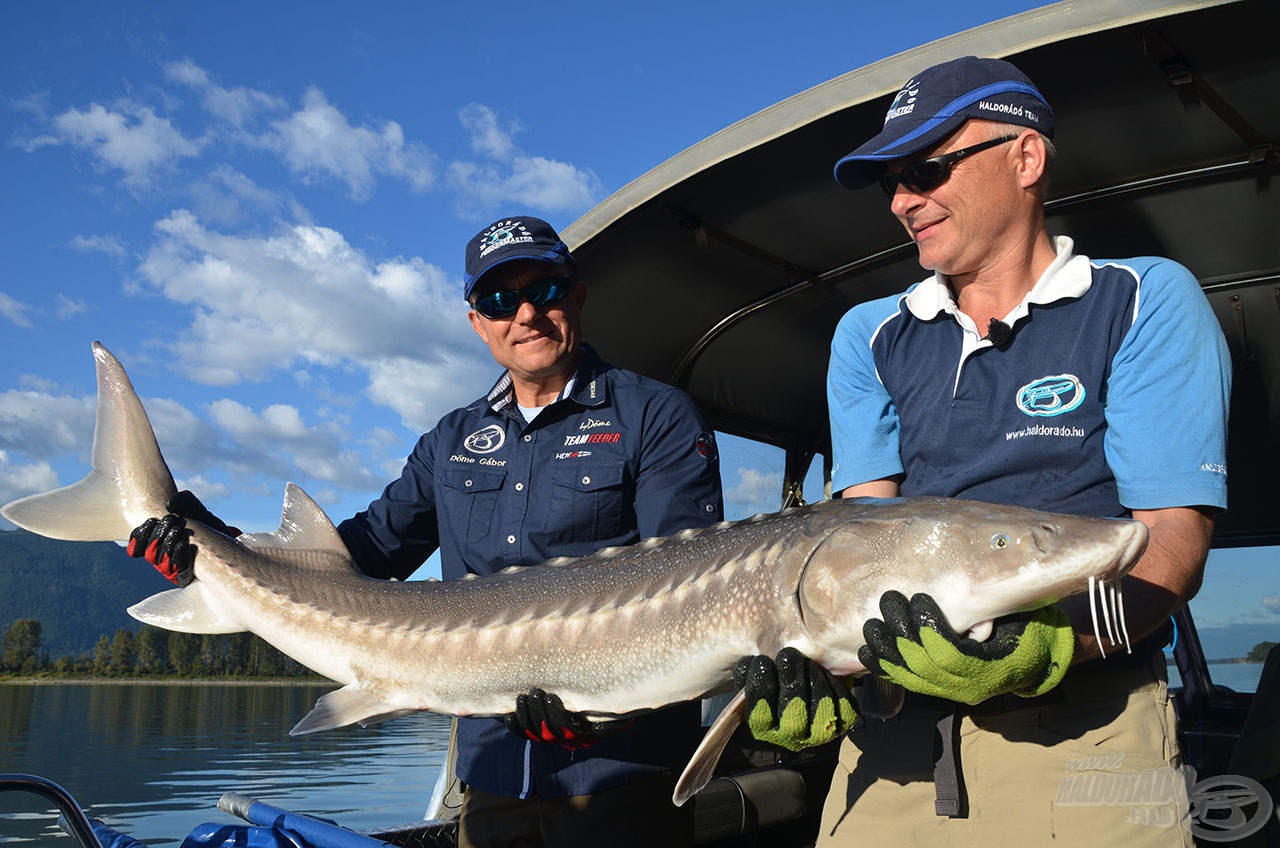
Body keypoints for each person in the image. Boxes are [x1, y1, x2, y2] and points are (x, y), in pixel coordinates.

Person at [736, 56, 1230, 846]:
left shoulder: (1140, 298)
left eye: (928, 169)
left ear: (1026, 157)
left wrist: (1046, 648)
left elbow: (1172, 537)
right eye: (893, 182)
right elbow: (859, 541)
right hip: (891, 749)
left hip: (1084, 737)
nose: (903, 201)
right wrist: (819, 668)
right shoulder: (869, 333)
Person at [128, 215, 725, 848]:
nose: (525, 314)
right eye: (499, 300)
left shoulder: (653, 415)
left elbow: (688, 590)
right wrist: (209, 542)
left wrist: (606, 712)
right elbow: (363, 555)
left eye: (544, 289)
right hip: (491, 780)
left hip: (625, 780)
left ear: (577, 293)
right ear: (477, 322)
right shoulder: (451, 440)